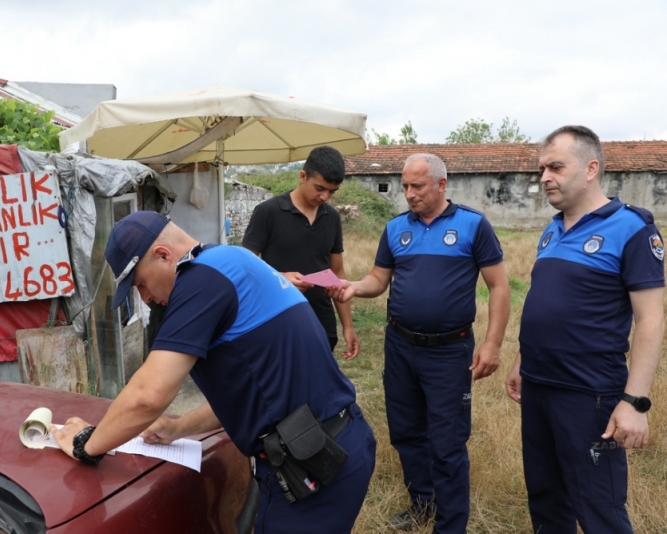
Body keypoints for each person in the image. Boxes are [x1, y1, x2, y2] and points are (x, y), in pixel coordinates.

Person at [49, 211, 376, 534]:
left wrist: (85, 444)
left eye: (142, 284)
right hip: (335, 442)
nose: (147, 298)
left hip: (313, 463)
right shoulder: (229, 258)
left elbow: (147, 397)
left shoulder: (199, 282)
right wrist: (177, 429)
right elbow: (256, 394)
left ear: (163, 255)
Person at [328, 153, 511, 533]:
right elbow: (379, 279)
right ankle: (422, 503)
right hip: (401, 346)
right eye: (405, 186)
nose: (408, 194)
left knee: (447, 441)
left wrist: (492, 344)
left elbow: (499, 286)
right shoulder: (396, 229)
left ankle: (450, 522)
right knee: (407, 431)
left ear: (441, 185)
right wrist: (353, 287)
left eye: (417, 186)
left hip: (450, 350)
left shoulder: (472, 225)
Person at [505, 125, 664, 534]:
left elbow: (651, 319)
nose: (544, 177)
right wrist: (523, 360)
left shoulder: (632, 228)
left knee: (598, 510)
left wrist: (634, 401)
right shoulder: (551, 229)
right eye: (541, 168)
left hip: (588, 394)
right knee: (546, 500)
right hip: (539, 388)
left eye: (555, 166)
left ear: (591, 168)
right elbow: (545, 300)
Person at [242, 146, 359, 359]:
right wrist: (280, 277)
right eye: (320, 188)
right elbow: (244, 266)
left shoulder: (332, 217)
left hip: (321, 322)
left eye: (332, 191)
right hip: (277, 319)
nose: (325, 196)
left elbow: (338, 272)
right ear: (303, 176)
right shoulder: (268, 212)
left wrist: (347, 326)